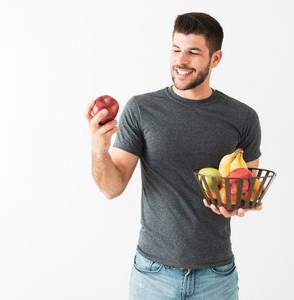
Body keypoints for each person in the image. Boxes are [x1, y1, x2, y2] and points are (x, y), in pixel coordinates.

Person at [85, 12, 262, 300]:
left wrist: (238, 205)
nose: (181, 60)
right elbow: (111, 188)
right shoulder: (141, 109)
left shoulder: (242, 117)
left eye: (193, 52)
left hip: (216, 276)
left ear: (215, 59)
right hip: (152, 275)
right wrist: (98, 147)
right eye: (176, 49)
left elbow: (245, 188)